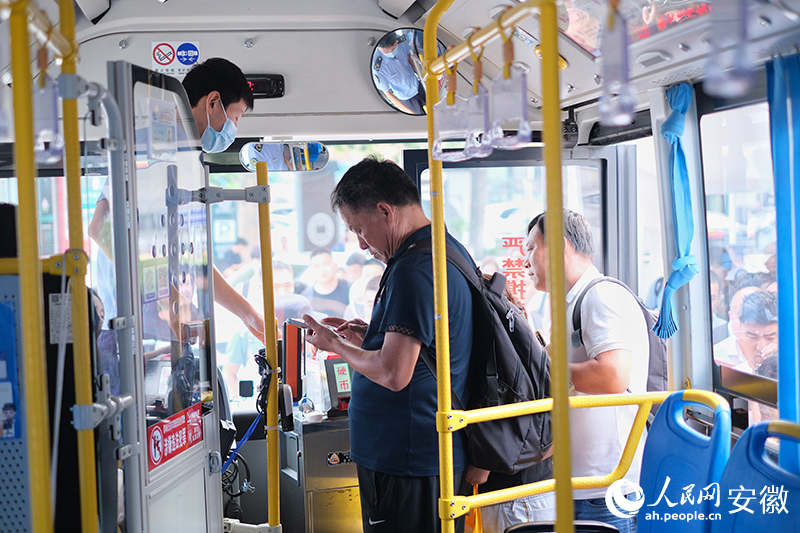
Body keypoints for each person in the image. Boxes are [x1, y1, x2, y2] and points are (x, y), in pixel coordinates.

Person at [302, 156, 474, 533]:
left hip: (406, 459)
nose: (361, 245)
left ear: (385, 211)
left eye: (359, 229)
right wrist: (367, 337)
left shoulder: (412, 269)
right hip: (423, 454)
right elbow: (423, 347)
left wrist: (333, 343)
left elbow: (395, 374)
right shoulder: (446, 250)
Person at [523, 210, 648, 533]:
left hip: (604, 486)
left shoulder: (600, 296)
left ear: (560, 247)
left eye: (530, 250)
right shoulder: (573, 302)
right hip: (584, 482)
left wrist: (549, 369)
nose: (525, 263)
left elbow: (613, 376)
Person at [372, 31, 426, 115]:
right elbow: (388, 94)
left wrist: (422, 76)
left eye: (393, 48)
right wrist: (410, 113)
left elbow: (410, 58)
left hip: (417, 85)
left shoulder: (401, 41)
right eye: (386, 51)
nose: (391, 52)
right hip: (404, 97)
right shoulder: (378, 67)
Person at [731, 290, 778, 374]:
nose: (761, 347)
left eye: (770, 337)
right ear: (741, 331)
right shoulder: (733, 378)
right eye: (752, 337)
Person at [712, 285, 759, 368]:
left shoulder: (780, 351)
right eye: (741, 315)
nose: (746, 323)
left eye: (753, 316)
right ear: (730, 317)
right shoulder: (715, 356)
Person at [301, 249, 351, 317]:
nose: (322, 269)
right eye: (317, 266)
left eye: (326, 264)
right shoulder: (307, 296)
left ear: (335, 265)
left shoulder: (350, 289)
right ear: (312, 270)